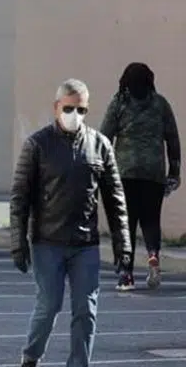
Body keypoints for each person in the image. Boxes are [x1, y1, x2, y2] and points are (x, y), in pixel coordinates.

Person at [9, 78, 132, 367]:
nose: (74, 115)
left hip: (85, 245)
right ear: (56, 107)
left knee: (86, 310)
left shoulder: (100, 145)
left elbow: (115, 198)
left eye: (81, 109)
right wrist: (18, 243)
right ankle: (31, 356)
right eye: (69, 108)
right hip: (47, 242)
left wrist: (123, 244)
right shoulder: (37, 145)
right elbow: (19, 197)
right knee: (49, 305)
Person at [100, 62, 181, 291]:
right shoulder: (160, 104)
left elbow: (105, 137)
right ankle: (153, 256)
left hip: (124, 173)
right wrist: (174, 172)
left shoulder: (119, 103)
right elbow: (173, 139)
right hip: (153, 173)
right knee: (151, 219)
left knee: (126, 223)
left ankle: (127, 275)